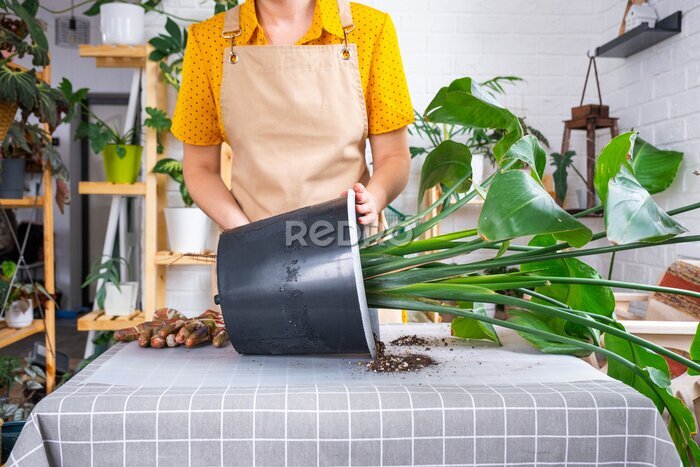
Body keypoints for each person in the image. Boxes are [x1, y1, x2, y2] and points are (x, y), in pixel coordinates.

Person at [171, 0, 414, 229]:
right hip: (255, 251)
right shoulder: (209, 41)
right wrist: (244, 233)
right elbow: (200, 167)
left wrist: (373, 199)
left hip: (349, 244)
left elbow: (393, 156)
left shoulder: (370, 29)